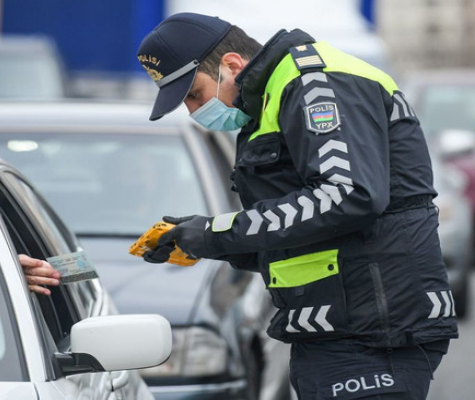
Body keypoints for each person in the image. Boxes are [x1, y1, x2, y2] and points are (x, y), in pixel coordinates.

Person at [137, 12, 458, 400]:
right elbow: (303, 232)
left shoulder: (317, 84)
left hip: (375, 331)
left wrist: (216, 232)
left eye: (194, 94)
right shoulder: (271, 98)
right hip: (338, 328)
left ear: (232, 65)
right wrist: (197, 240)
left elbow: (347, 194)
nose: (193, 111)